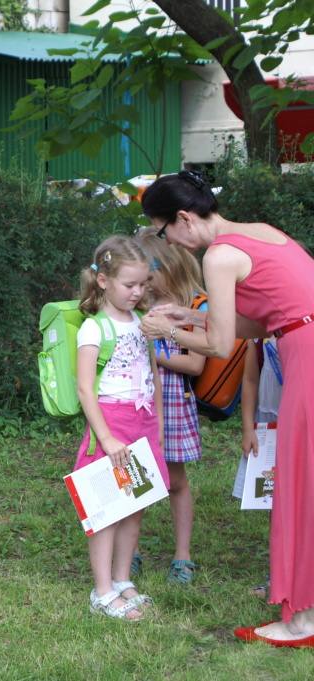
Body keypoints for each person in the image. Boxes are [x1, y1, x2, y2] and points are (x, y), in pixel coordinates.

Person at [140, 169, 314, 647]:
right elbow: (266, 321)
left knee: (300, 479)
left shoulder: (217, 256)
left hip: (307, 353)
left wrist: (166, 330)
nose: (167, 241)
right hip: (302, 336)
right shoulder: (260, 232)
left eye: (163, 231)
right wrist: (190, 314)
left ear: (182, 218)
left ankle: (302, 622)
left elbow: (219, 345)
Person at [75, 235, 165, 620]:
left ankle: (122, 579)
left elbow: (152, 374)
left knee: (134, 504)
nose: (138, 291)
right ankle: (102, 591)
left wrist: (158, 422)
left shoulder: (141, 322)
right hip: (112, 425)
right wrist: (107, 437)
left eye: (143, 283)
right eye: (130, 284)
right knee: (106, 510)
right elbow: (85, 388)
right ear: (103, 280)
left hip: (142, 422)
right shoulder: (93, 329)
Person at [136, 229, 207, 584]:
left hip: (174, 399)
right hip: (138, 399)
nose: (144, 285)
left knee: (175, 481)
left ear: (168, 266)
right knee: (135, 478)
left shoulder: (195, 306)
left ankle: (182, 556)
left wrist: (155, 349)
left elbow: (195, 364)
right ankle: (130, 552)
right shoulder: (136, 303)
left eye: (149, 275)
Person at [232, 336, 283, 596]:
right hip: (270, 425)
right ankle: (278, 577)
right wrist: (248, 428)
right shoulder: (260, 331)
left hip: (303, 422)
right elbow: (250, 379)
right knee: (276, 503)